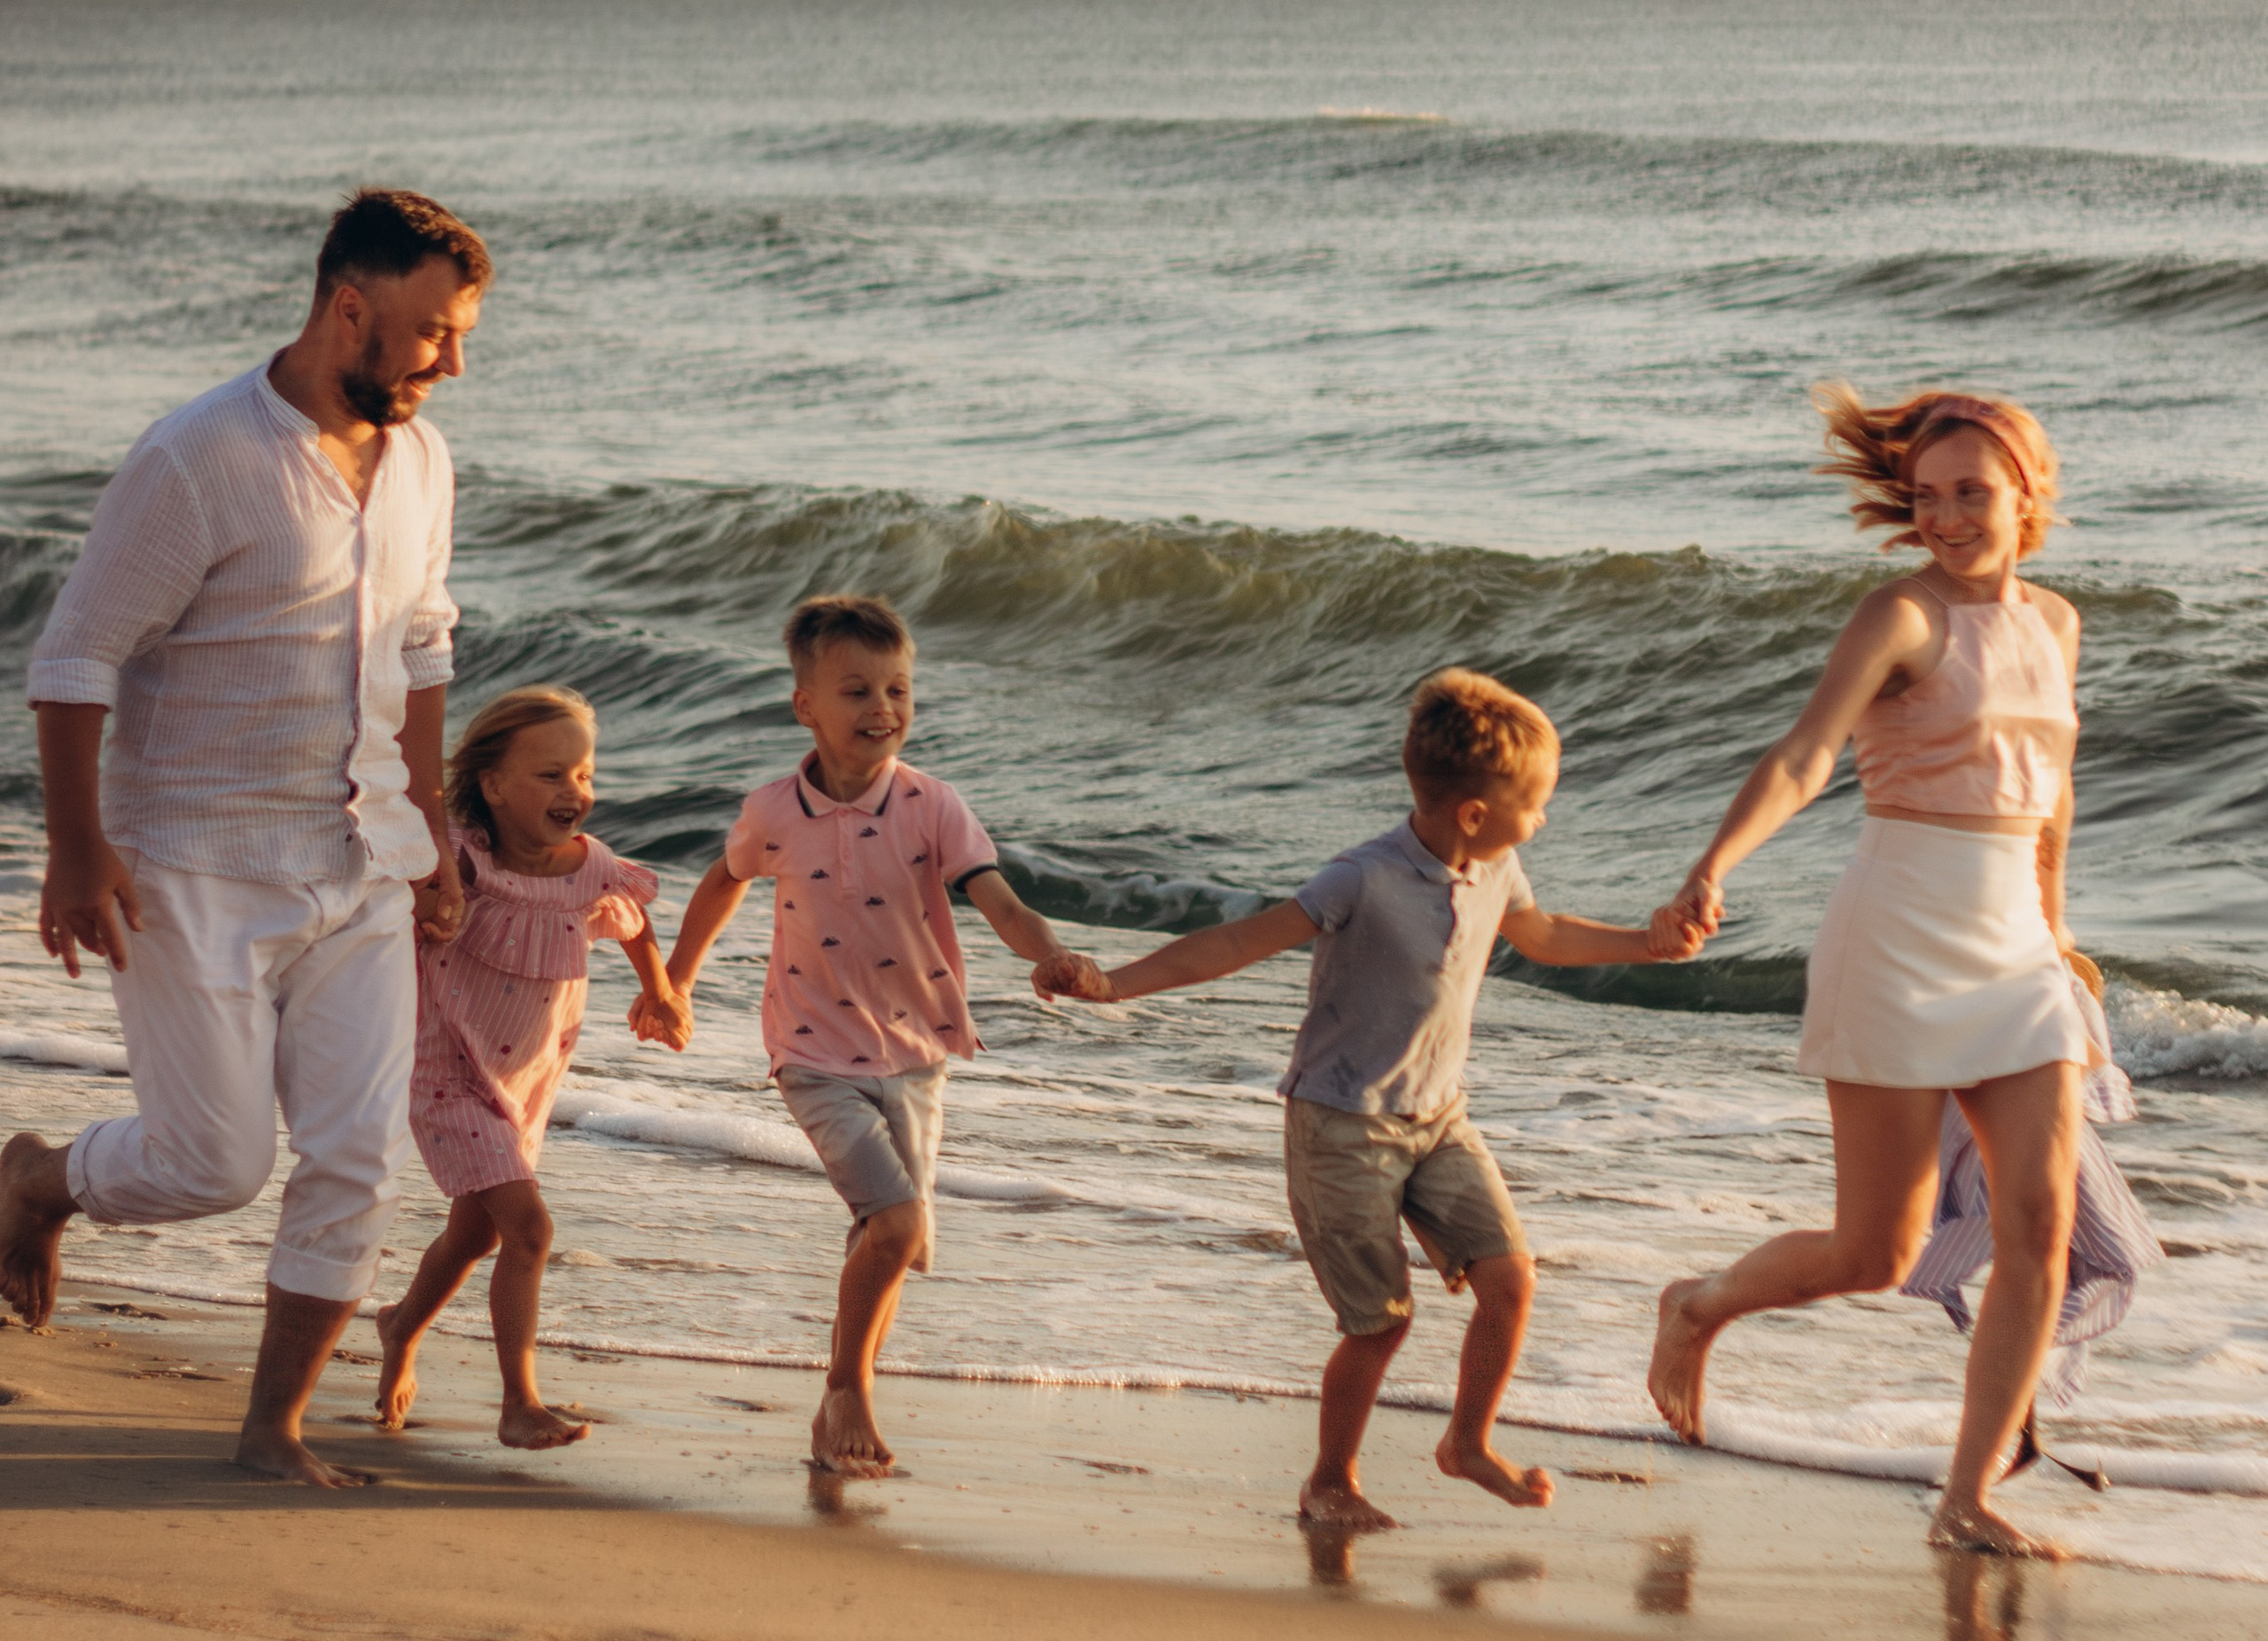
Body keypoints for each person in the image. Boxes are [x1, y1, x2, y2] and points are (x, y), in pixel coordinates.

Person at [0, 187, 491, 1487]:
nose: (453, 358)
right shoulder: (199, 457)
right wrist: (77, 848)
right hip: (190, 868)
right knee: (212, 1160)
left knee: (354, 1157)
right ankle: (42, 1177)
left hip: (362, 865)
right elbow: (77, 656)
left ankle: (272, 1430)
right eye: (435, 330)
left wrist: (432, 833)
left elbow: (426, 639)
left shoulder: (424, 464)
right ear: (350, 308)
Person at [1037, 670, 1702, 1535]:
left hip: (1438, 1120)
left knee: (1511, 1280)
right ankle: (1329, 1479)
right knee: (1379, 1321)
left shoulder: (1496, 865)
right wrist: (1113, 983)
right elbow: (1239, 940)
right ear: (1473, 811)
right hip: (1339, 1127)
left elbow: (1541, 936)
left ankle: (1465, 1443)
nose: (1539, 819)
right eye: (1534, 803)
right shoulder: (1361, 878)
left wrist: (1649, 945)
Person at [1647, 385, 2093, 1557]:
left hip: (2017, 953)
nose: (1947, 517)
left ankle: (1967, 1496)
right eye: (1929, 495)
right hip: (1899, 934)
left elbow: (2050, 794)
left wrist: (2059, 930)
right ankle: (1698, 1307)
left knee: (2039, 1224)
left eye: (1972, 493)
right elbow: (1805, 756)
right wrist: (1711, 865)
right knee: (1873, 1252)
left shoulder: (2056, 622)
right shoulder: (1899, 616)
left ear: (2029, 492)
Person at [651, 593, 1079, 1477]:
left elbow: (997, 898)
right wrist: (676, 981)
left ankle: (840, 1398)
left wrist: (1048, 953)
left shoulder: (933, 806)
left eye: (898, 689)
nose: (882, 709)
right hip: (810, 1050)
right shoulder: (774, 809)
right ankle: (847, 1388)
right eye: (856, 691)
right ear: (805, 703)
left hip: (917, 1054)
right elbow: (722, 881)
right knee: (894, 1221)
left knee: (896, 1240)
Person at [375, 685, 692, 1451]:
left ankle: (399, 1327)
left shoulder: (592, 868)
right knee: (528, 1229)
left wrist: (662, 991)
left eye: (583, 774)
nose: (574, 791)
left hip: (528, 1077)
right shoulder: (458, 856)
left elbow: (636, 922)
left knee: (476, 1236)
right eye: (551, 775)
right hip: (446, 1065)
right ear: (493, 784)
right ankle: (520, 1401)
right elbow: (380, 892)